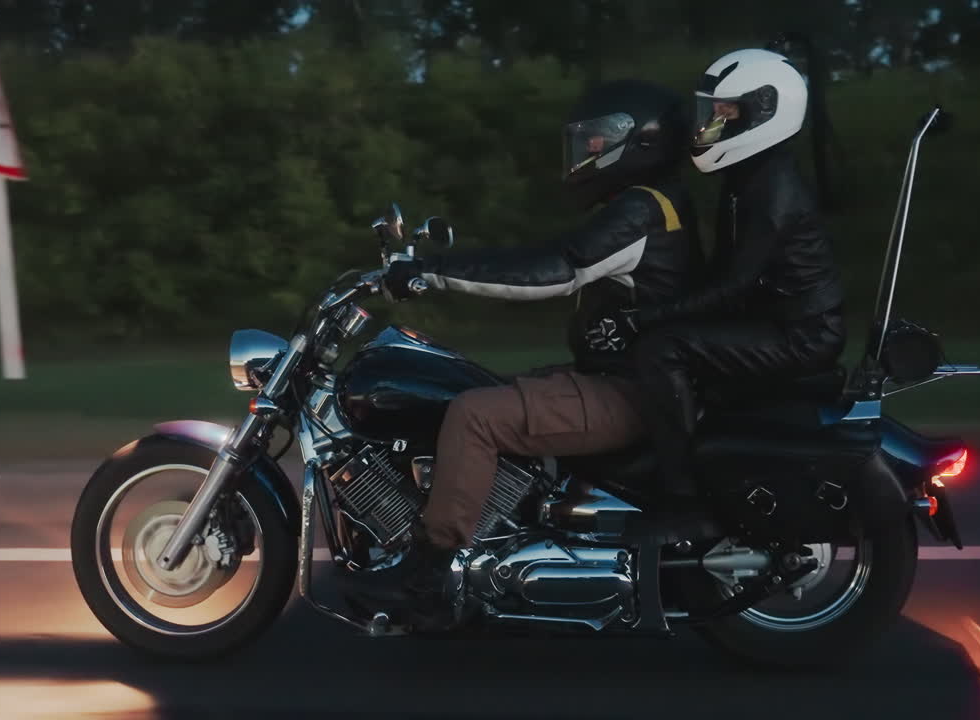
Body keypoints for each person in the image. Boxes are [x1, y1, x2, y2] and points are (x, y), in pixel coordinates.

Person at [344, 78, 703, 627]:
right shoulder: (651, 205)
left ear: (643, 143)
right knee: (483, 389)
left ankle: (428, 576)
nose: (589, 152)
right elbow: (547, 255)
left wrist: (432, 274)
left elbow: (554, 271)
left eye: (600, 141)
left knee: (475, 415)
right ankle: (496, 538)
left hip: (630, 390)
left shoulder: (641, 212)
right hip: (631, 378)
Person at [622, 48, 847, 505]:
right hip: (782, 323)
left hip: (802, 334)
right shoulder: (749, 176)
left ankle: (681, 489)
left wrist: (647, 317)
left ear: (765, 110)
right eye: (711, 113)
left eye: (725, 113)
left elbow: (732, 287)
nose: (710, 125)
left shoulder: (771, 187)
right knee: (668, 338)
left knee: (662, 350)